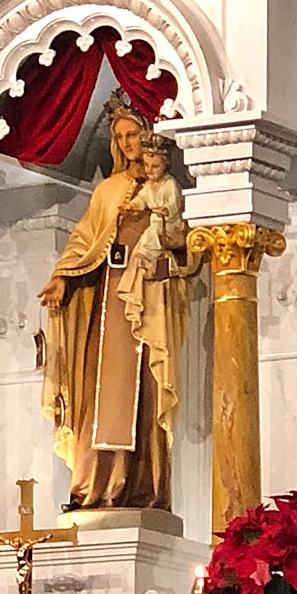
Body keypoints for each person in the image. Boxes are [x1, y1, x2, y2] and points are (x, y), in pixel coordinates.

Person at [37, 93, 192, 512]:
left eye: (133, 134)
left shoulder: (168, 189)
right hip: (108, 298)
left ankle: (140, 486)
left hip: (148, 299)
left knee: (145, 392)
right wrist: (62, 279)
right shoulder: (108, 191)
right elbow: (85, 240)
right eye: (120, 137)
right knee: (99, 392)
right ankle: (93, 485)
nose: (127, 144)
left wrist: (168, 243)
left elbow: (185, 245)